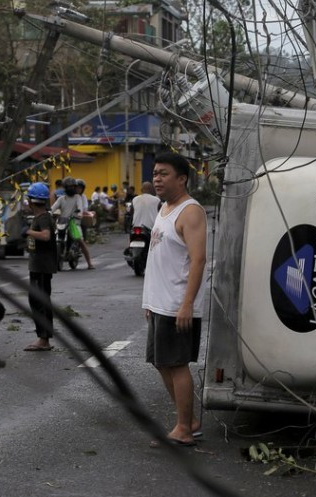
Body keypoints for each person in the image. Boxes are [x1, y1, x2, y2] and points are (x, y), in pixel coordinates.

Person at [142, 154, 207, 446]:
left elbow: (198, 260)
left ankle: (184, 428)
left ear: (181, 178)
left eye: (164, 174)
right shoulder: (164, 207)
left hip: (176, 303)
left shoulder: (190, 212)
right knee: (161, 362)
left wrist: (187, 304)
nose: (157, 178)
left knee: (177, 364)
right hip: (159, 302)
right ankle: (188, 420)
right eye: (155, 173)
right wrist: (148, 300)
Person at [23, 182, 57, 352]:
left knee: (40, 302)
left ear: (31, 201)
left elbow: (45, 236)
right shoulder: (40, 217)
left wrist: (28, 232)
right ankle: (42, 337)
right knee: (36, 301)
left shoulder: (43, 217)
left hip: (42, 268)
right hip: (38, 267)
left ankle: (44, 339)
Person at [51, 177, 95, 269]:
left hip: (74, 222)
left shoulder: (78, 197)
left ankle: (89, 263)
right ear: (65, 187)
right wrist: (48, 213)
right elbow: (53, 208)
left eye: (73, 187)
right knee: (52, 237)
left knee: (80, 241)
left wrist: (79, 213)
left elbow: (80, 207)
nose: (71, 188)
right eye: (69, 187)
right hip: (62, 221)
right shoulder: (61, 199)